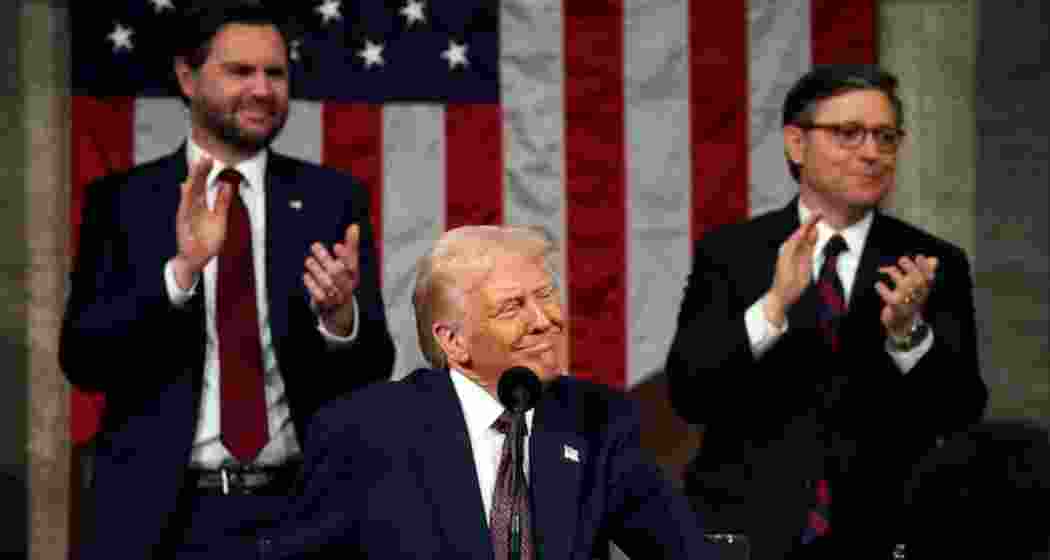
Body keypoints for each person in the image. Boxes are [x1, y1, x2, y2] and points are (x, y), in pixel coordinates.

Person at [59, 2, 395, 558]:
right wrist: (180, 274)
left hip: (303, 512)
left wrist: (340, 320)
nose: (263, 89)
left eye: (276, 73)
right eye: (240, 71)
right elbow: (85, 359)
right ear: (188, 78)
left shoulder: (332, 200)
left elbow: (371, 367)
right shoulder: (123, 203)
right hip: (163, 520)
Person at [664, 64, 987, 559]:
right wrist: (772, 307)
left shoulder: (929, 263)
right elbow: (690, 394)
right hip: (750, 532)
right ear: (796, 143)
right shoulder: (732, 252)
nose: (871, 152)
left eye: (885, 137)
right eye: (848, 133)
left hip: (883, 535)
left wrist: (908, 335)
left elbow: (962, 410)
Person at [264, 225, 717, 559]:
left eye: (546, 295)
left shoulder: (598, 420)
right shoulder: (365, 432)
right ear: (453, 341)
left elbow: (683, 552)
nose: (545, 320)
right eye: (513, 306)